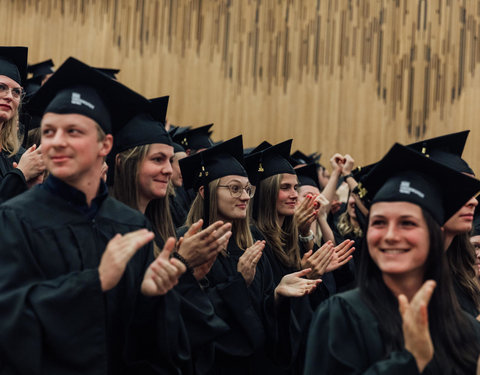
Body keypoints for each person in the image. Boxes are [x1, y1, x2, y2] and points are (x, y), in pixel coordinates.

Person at [0, 57, 190, 374]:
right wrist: (94, 283)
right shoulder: (15, 220)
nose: (57, 142)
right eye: (48, 132)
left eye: (73, 131)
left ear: (106, 145)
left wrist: (152, 299)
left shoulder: (130, 226)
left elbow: (148, 348)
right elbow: (9, 324)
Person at [304, 143, 480, 374]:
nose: (390, 236)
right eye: (379, 222)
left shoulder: (465, 327)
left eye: (407, 223)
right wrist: (410, 360)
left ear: (436, 235)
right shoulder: (341, 316)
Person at [179, 136, 322, 374]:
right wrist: (238, 282)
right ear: (205, 191)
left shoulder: (252, 243)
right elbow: (189, 315)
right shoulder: (188, 243)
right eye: (235, 188)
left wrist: (278, 295)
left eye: (247, 189)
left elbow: (264, 318)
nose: (245, 196)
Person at [409, 131, 480, 317]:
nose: (474, 201)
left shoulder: (462, 269)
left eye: (473, 192)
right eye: (462, 190)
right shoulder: (408, 277)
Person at [0, 46, 45, 201]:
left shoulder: (18, 156)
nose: (9, 97)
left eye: (16, 92)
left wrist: (32, 191)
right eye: (1, 87)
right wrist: (20, 175)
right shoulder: (22, 166)